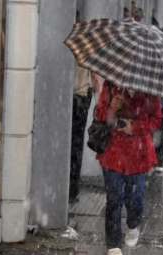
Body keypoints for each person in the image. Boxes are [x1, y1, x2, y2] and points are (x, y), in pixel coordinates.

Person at [95, 81, 162, 255]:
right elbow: (99, 114)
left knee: (136, 198)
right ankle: (114, 243)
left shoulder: (150, 88)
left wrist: (135, 127)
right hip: (113, 151)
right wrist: (111, 108)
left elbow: (156, 119)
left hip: (139, 153)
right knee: (114, 198)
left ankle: (133, 224)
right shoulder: (111, 85)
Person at [69, 11, 101, 204]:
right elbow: (94, 76)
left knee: (65, 144)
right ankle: (72, 189)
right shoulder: (86, 44)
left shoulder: (62, 43)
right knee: (76, 144)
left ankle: (64, 186)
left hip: (65, 99)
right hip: (82, 97)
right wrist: (99, 101)